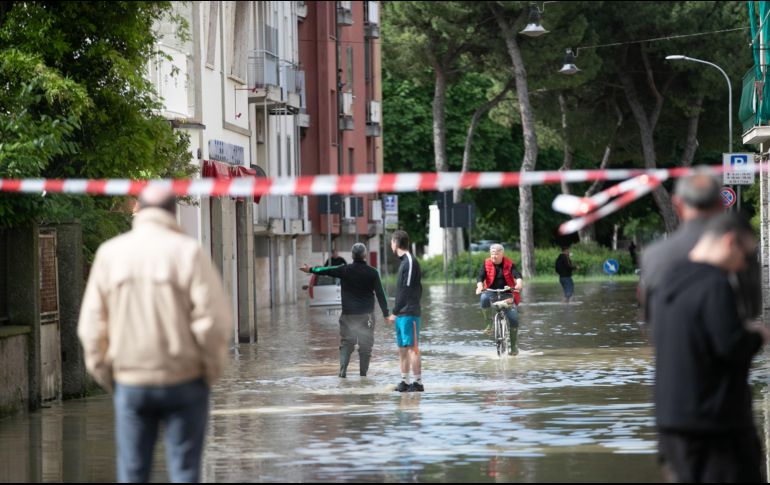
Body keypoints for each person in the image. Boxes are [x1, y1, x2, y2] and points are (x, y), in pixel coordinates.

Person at [77, 186, 233, 483]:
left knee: (133, 473)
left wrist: (109, 376)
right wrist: (208, 372)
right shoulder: (189, 253)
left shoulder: (110, 254)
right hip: (185, 380)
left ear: (138, 209)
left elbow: (91, 327)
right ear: (174, 212)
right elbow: (215, 322)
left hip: (130, 382)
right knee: (185, 472)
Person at [652, 212, 770, 482]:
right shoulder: (714, 284)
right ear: (730, 242)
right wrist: (757, 336)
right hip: (715, 427)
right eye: (745, 256)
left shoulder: (667, 280)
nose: (742, 266)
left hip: (672, 424)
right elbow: (730, 347)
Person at [640, 168, 761, 322]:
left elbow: (648, 314)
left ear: (677, 204)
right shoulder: (734, 250)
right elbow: (751, 309)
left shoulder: (653, 255)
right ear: (721, 203)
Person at [300, 243, 389, 378]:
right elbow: (381, 294)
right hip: (367, 317)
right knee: (366, 346)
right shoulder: (373, 272)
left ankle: (342, 372)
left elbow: (326, 270)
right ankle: (363, 376)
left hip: (348, 316)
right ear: (365, 255)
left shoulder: (344, 270)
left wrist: (311, 269)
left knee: (347, 343)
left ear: (352, 256)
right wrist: (386, 314)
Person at [387, 230, 424, 392]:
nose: (390, 246)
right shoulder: (403, 262)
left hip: (409, 312)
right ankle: (405, 382)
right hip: (402, 313)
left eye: (391, 243)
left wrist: (394, 311)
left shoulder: (409, 260)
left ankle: (418, 383)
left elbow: (408, 289)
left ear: (395, 243)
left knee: (412, 348)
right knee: (402, 349)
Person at [475, 243, 523, 355]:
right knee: (483, 298)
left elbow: (517, 275)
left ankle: (514, 346)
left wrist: (519, 283)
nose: (493, 256)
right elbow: (480, 276)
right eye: (492, 253)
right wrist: (480, 286)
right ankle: (488, 322)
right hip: (491, 291)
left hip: (507, 293)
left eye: (496, 254)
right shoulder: (486, 263)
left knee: (514, 318)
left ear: (502, 254)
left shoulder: (509, 263)